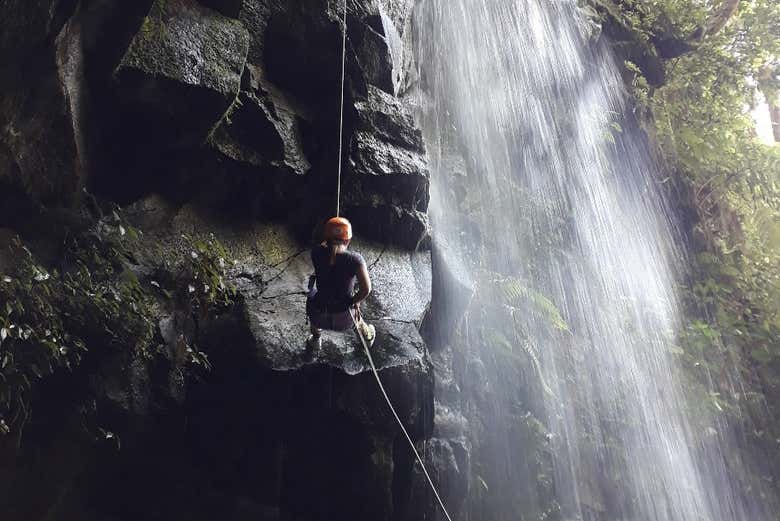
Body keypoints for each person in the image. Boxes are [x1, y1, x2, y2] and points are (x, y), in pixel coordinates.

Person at [306, 217, 376, 350]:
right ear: (348, 240)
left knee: (313, 294)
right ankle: (367, 338)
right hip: (344, 319)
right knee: (356, 311)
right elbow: (366, 289)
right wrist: (354, 301)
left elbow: (323, 247)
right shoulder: (355, 259)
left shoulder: (316, 252)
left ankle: (316, 339)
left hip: (319, 315)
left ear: (326, 237)